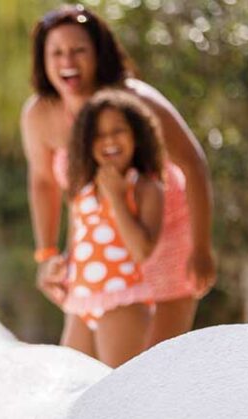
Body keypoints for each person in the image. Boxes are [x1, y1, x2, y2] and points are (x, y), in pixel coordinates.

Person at [20, 5, 216, 354]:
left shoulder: (134, 102)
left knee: (154, 371)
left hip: (162, 243)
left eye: (79, 50)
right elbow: (44, 183)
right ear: (42, 60)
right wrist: (48, 253)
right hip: (101, 256)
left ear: (98, 53)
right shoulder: (39, 115)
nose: (68, 60)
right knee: (84, 373)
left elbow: (192, 164)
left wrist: (201, 248)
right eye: (57, 52)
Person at [60, 89, 163, 367]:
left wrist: (117, 197)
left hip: (122, 299)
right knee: (73, 387)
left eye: (118, 131)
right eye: (99, 134)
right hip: (81, 302)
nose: (109, 141)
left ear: (137, 136)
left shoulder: (145, 188)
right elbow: (74, 245)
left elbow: (142, 250)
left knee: (118, 389)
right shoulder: (82, 189)